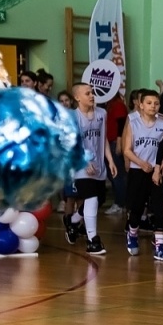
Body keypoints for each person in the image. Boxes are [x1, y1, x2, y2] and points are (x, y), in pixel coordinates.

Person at [65, 82, 117, 255]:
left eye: (92, 92)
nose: (92, 95)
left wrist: (110, 161)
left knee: (99, 199)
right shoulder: (72, 117)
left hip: (99, 165)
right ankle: (93, 240)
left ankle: (73, 222)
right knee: (92, 198)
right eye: (87, 93)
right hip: (81, 165)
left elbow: (103, 140)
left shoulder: (102, 113)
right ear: (77, 97)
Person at [122, 89, 163, 259]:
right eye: (149, 103)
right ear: (141, 105)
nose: (153, 106)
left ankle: (160, 245)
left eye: (156, 103)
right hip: (138, 170)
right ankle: (133, 235)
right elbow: (126, 150)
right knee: (136, 207)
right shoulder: (133, 123)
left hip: (156, 172)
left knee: (158, 208)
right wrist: (141, 163)